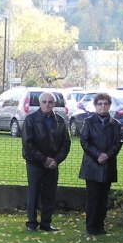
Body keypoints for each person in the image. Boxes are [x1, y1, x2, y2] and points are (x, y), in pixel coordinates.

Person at [21, 90, 71, 232]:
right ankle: (31, 223)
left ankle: (46, 223)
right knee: (34, 193)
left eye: (50, 102)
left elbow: (66, 143)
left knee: (50, 193)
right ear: (39, 103)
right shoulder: (31, 119)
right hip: (35, 162)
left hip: (53, 164)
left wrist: (56, 160)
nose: (47, 104)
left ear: (54, 104)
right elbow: (28, 143)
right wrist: (44, 159)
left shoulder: (60, 121)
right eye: (44, 102)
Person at [78, 92, 123, 236]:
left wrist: (107, 155)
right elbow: (84, 141)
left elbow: (118, 142)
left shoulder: (116, 124)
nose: (102, 106)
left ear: (109, 105)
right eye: (99, 104)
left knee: (103, 198)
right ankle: (91, 226)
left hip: (108, 164)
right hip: (92, 165)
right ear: (95, 105)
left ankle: (100, 225)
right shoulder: (88, 122)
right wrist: (98, 155)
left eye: (105, 104)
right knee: (93, 197)